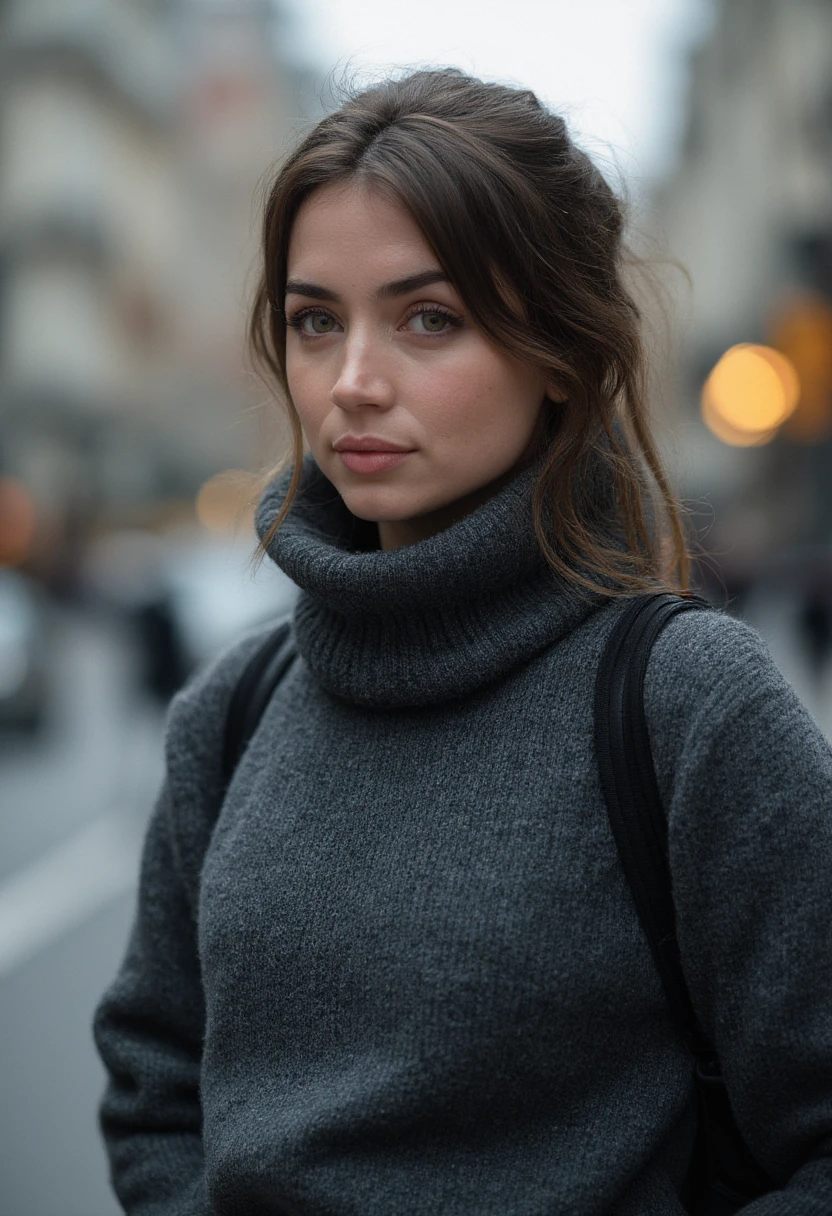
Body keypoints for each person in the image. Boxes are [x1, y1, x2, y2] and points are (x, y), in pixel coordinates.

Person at [93, 69, 832, 1215]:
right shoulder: (230, 712)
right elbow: (154, 1091)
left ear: (558, 351)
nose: (352, 383)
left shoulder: (689, 706)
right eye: (314, 321)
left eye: (427, 317)